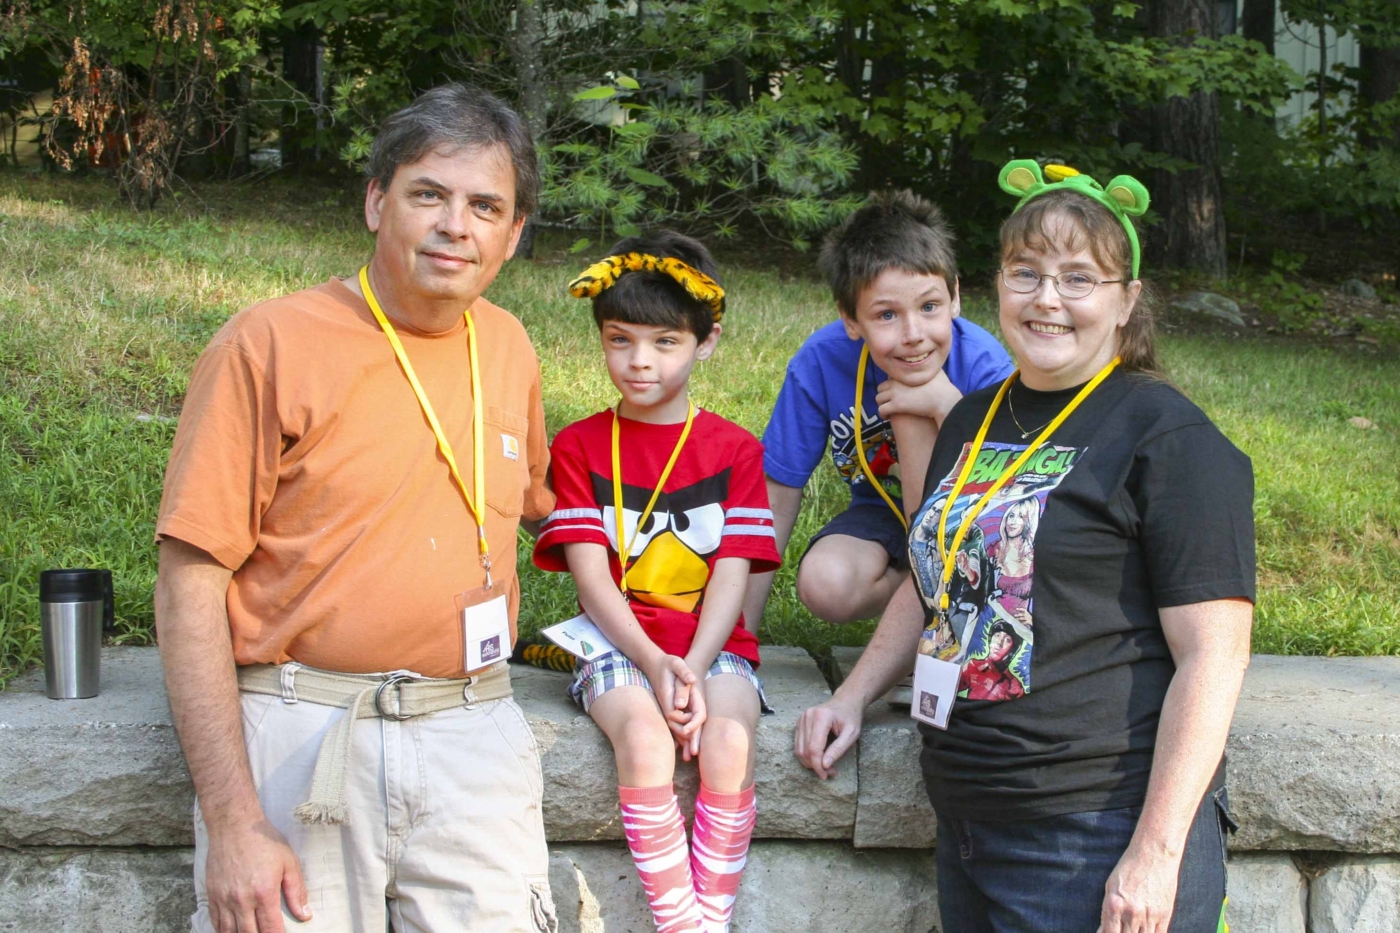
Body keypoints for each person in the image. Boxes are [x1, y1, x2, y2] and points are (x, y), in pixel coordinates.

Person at [795, 160, 1256, 933]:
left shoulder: (1167, 435)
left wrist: (1154, 851)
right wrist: (853, 693)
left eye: (1080, 279)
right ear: (997, 285)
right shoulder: (972, 420)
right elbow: (932, 579)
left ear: (1127, 302)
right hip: (971, 823)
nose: (1047, 298)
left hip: (1093, 833)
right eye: (1027, 272)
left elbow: (1216, 654)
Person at [153, 84, 558, 933]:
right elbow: (190, 581)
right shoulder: (266, 343)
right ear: (377, 202)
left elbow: (540, 507)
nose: (458, 225)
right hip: (303, 736)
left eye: (487, 205)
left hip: (472, 729)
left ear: (513, 234)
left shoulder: (512, 345)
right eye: (429, 195)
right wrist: (233, 822)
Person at [533, 231, 781, 933]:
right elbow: (590, 579)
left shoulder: (735, 448)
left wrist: (694, 666)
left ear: (706, 341)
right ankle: (684, 925)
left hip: (712, 642)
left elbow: (733, 572)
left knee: (728, 739)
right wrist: (653, 662)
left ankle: (714, 916)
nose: (639, 361)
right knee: (645, 740)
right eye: (620, 339)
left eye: (665, 342)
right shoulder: (579, 443)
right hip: (618, 642)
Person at [744, 190, 1013, 633]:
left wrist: (948, 407)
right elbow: (777, 492)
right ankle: (916, 596)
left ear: (955, 296)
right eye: (886, 314)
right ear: (851, 319)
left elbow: (1005, 489)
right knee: (826, 583)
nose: (913, 334)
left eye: (929, 307)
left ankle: (950, 609)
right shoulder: (822, 361)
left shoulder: (985, 364)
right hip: (881, 513)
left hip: (972, 525)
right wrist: (740, 634)